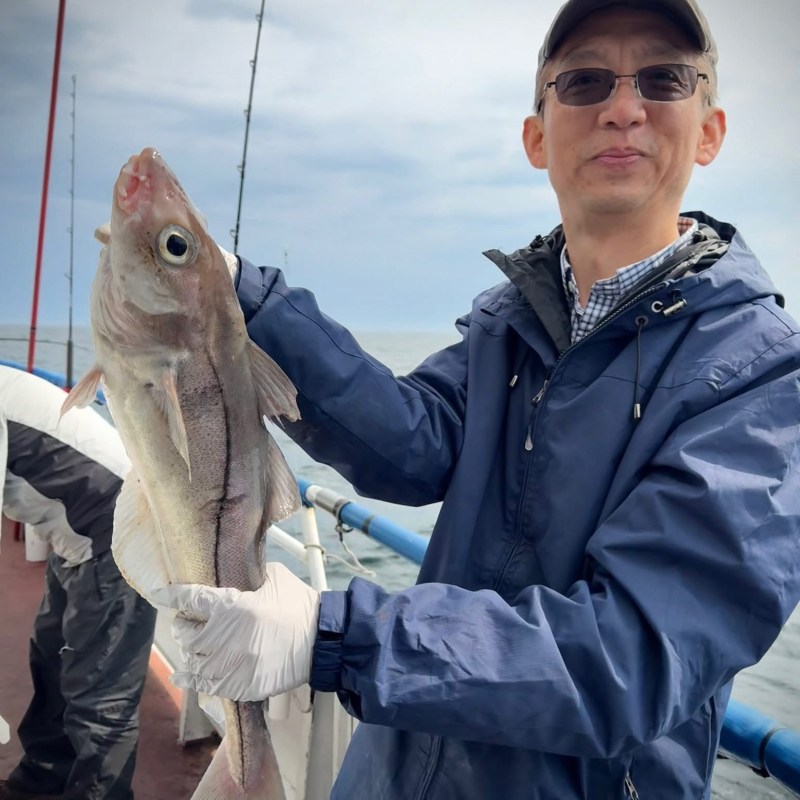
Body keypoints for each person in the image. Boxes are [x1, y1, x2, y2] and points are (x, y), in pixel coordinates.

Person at [156, 1, 800, 797]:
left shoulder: (761, 379)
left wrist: (333, 637)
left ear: (708, 129)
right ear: (538, 137)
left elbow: (632, 658)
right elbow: (411, 443)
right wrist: (235, 293)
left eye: (664, 80)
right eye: (585, 81)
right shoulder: (509, 323)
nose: (623, 108)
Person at [0, 365, 156, 800]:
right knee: (50, 662)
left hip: (120, 532)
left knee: (100, 695)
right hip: (74, 534)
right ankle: (41, 784)